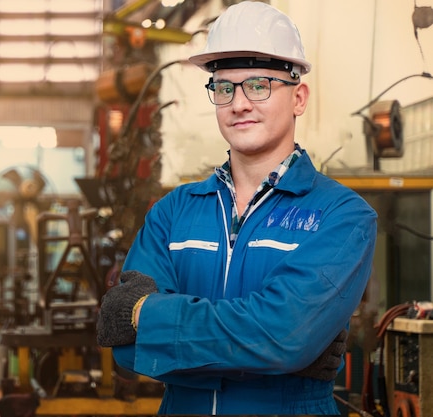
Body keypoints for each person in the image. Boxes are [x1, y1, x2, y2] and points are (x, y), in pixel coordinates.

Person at [96, 1, 378, 415]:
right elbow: (125, 349)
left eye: (258, 85)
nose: (239, 104)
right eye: (224, 87)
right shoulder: (172, 213)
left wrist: (148, 317)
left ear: (299, 97)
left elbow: (282, 338)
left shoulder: (342, 217)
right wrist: (276, 350)